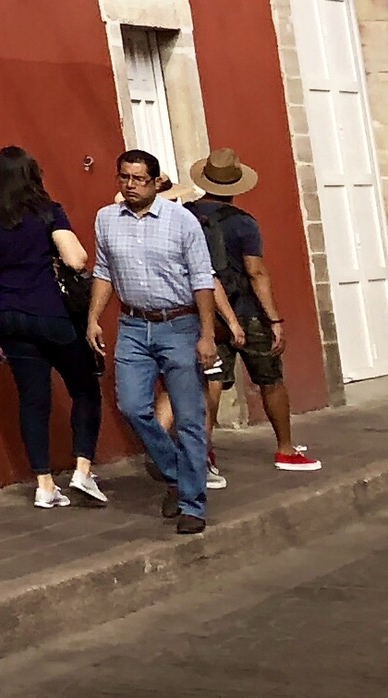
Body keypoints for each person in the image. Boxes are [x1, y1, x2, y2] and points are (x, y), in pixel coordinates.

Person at [87, 147, 237, 534]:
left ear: (155, 182)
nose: (131, 185)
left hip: (179, 324)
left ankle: (192, 504)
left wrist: (207, 335)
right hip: (133, 325)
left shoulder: (182, 222)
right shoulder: (106, 219)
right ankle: (176, 474)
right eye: (124, 177)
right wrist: (93, 318)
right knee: (132, 405)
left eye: (138, 179)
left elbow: (202, 279)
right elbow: (104, 270)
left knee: (189, 417)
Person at [0, 143, 106, 507]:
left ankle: (44, 485)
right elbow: (77, 260)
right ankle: (83, 470)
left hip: (9, 316)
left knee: (32, 399)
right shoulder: (48, 212)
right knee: (85, 388)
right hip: (51, 312)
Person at [184, 148, 322, 474]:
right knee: (270, 379)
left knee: (209, 382)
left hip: (204, 311)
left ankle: (203, 451)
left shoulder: (185, 216)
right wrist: (274, 319)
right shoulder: (243, 223)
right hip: (246, 310)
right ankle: (285, 448)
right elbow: (256, 272)